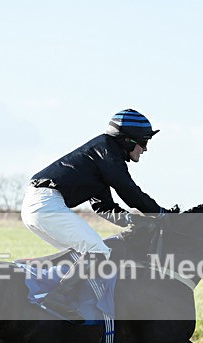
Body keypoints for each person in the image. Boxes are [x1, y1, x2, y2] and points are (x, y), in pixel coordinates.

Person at [21, 109, 175, 316]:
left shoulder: (102, 157)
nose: (145, 149)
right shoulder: (106, 152)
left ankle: (64, 303)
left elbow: (103, 207)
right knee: (97, 251)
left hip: (39, 205)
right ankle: (57, 298)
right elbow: (128, 190)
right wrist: (162, 214)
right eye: (144, 141)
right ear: (128, 140)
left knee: (82, 258)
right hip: (46, 204)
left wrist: (132, 219)